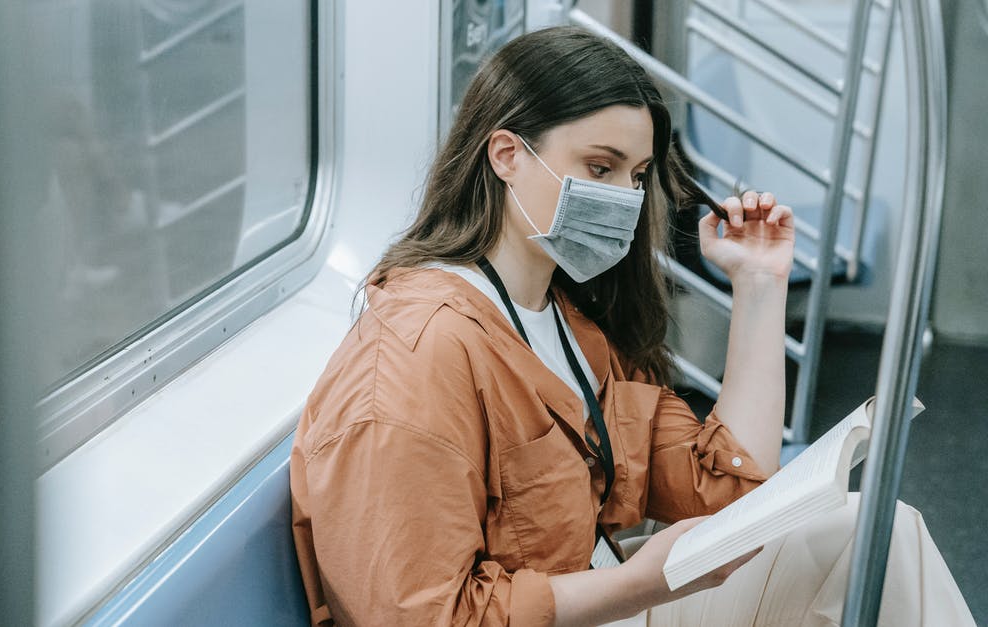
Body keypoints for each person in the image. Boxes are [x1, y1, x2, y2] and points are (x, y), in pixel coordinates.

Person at [289, 27, 973, 626]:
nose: (623, 198)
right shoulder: (419, 350)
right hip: (602, 600)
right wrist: (637, 583)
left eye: (637, 175)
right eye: (599, 167)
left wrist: (759, 284)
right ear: (506, 155)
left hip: (608, 597)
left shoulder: (566, 326)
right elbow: (419, 615)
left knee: (874, 533)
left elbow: (726, 482)